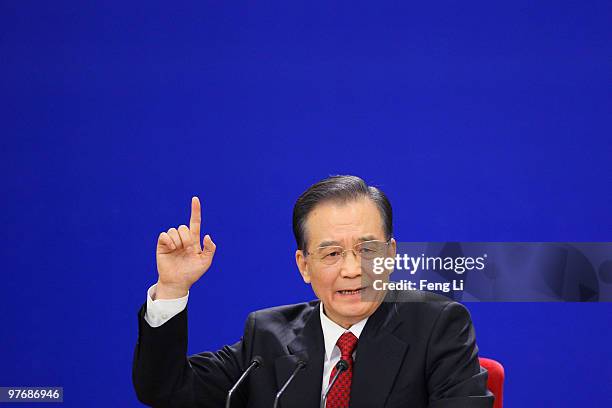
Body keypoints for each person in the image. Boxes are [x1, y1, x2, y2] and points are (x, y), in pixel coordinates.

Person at [132, 175, 493, 407]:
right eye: (332, 254)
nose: (352, 269)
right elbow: (165, 390)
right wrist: (172, 288)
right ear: (304, 265)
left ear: (391, 254)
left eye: (367, 250)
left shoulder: (436, 326)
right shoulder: (268, 336)